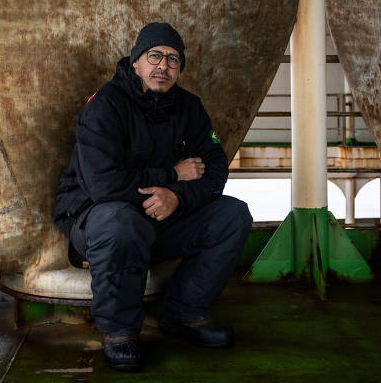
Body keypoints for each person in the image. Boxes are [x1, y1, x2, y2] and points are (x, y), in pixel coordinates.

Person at [53, 22, 252, 371]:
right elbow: (102, 185)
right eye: (155, 56)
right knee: (121, 222)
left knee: (233, 216)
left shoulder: (189, 108)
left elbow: (215, 169)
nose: (163, 66)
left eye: (173, 60)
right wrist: (171, 176)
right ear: (136, 63)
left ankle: (185, 314)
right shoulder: (106, 105)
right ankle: (119, 332)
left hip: (161, 216)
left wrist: (177, 197)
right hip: (96, 219)